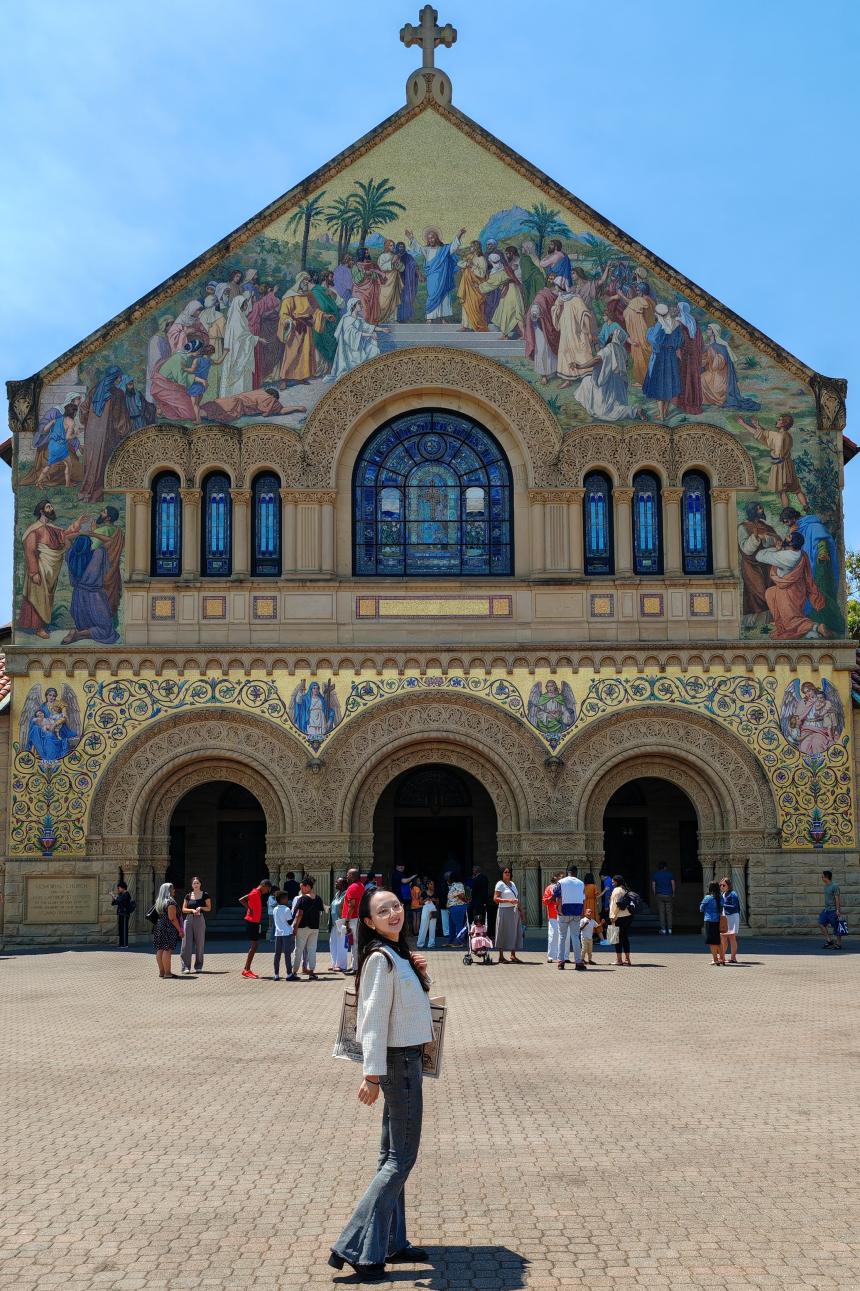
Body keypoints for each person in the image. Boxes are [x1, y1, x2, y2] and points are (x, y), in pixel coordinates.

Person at [329, 888, 432, 1279]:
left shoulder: (398, 954)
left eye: (396, 905)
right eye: (382, 910)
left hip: (406, 1062)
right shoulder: (380, 960)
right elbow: (371, 1022)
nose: (393, 912)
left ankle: (390, 1242)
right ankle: (354, 1245)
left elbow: (412, 1004)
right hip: (397, 1063)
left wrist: (421, 973)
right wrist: (370, 1077)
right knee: (399, 1160)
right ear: (368, 922)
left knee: (391, 1156)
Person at [737, 413, 808, 510]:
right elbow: (764, 433)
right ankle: (806, 506)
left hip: (780, 466)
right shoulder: (788, 436)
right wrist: (757, 425)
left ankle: (786, 511)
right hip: (788, 464)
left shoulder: (778, 436)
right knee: (797, 489)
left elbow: (761, 435)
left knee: (782, 491)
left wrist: (743, 424)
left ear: (783, 423)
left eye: (779, 420)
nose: (777, 421)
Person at [574, 322, 639, 420]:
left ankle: (633, 411)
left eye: (611, 335)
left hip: (607, 386)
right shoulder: (622, 350)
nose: (609, 336)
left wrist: (580, 366)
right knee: (588, 381)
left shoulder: (609, 349)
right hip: (619, 387)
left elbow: (597, 360)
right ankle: (632, 411)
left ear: (614, 337)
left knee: (587, 382)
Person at [405, 226, 467, 321]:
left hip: (443, 277)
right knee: (432, 295)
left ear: (437, 238)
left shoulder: (444, 249)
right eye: (429, 238)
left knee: (443, 295)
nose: (431, 240)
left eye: (432, 237)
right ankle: (430, 317)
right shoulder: (427, 249)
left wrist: (459, 234)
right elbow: (418, 248)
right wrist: (411, 238)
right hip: (432, 277)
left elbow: (453, 247)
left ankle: (442, 317)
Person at [326, 298, 388, 382]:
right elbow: (352, 334)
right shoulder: (347, 319)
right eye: (359, 304)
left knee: (374, 349)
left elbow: (368, 327)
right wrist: (369, 335)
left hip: (358, 344)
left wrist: (382, 329)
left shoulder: (359, 319)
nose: (361, 306)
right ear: (353, 306)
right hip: (350, 349)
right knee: (358, 362)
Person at [642, 303, 683, 421]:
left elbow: (654, 340)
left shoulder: (659, 325)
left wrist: (649, 331)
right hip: (670, 358)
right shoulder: (676, 325)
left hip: (660, 358)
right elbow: (679, 342)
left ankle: (661, 414)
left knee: (659, 385)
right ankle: (665, 412)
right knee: (668, 385)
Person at [552, 282, 597, 386]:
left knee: (580, 352)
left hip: (575, 333)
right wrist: (557, 307)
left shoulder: (576, 299)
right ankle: (568, 379)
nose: (555, 288)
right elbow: (555, 312)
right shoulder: (560, 300)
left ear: (562, 287)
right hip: (565, 334)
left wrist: (589, 332)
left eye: (557, 286)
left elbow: (584, 314)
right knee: (564, 352)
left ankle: (587, 377)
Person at [553, 866, 587, 971]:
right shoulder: (581, 883)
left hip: (563, 912)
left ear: (568, 872)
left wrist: (559, 907)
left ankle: (560, 962)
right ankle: (578, 962)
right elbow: (583, 899)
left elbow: (556, 894)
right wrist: (582, 912)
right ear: (576, 872)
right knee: (575, 937)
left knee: (562, 937)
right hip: (576, 913)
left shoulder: (561, 882)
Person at [291, 876, 325, 979]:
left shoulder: (302, 899)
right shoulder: (318, 898)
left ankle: (294, 971)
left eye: (302, 887)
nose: (301, 890)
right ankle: (311, 971)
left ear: (307, 887)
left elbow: (298, 914)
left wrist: (295, 927)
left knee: (298, 950)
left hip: (302, 927)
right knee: (312, 949)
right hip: (314, 928)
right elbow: (319, 912)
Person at [238, 878, 272, 979]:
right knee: (254, 945)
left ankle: (247, 969)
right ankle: (246, 970)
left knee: (255, 945)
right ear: (264, 885)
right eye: (267, 889)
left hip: (255, 922)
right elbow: (241, 900)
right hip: (251, 922)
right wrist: (249, 909)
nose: (267, 892)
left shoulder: (257, 893)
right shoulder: (254, 893)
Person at [180, 876, 211, 973]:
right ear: (192, 885)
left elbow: (209, 908)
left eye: (197, 883)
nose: (196, 885)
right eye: (194, 883)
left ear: (200, 884)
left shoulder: (205, 895)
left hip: (200, 919)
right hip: (189, 919)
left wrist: (201, 908)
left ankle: (198, 966)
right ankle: (186, 967)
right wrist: (192, 910)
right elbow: (183, 909)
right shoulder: (188, 896)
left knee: (200, 943)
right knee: (186, 944)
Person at [456, 240, 489, 331]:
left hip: (475, 286)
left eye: (471, 247)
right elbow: (459, 263)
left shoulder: (481, 259)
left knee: (475, 306)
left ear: (476, 248)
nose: (470, 248)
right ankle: (465, 326)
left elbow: (482, 274)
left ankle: (477, 326)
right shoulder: (470, 257)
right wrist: (467, 263)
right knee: (466, 305)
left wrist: (472, 266)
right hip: (467, 286)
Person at [493, 866, 523, 964]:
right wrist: (508, 900)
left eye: (509, 872)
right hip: (504, 910)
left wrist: (520, 910)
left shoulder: (512, 883)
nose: (507, 873)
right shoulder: (500, 884)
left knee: (514, 932)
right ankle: (501, 956)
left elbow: (516, 897)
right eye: (505, 872)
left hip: (514, 911)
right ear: (502, 873)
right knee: (502, 931)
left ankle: (513, 955)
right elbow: (495, 899)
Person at [153, 881, 182, 979]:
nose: (174, 890)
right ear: (168, 891)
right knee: (167, 949)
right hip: (168, 928)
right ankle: (168, 973)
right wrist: (180, 930)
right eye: (172, 888)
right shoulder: (170, 902)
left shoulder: (159, 902)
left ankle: (162, 972)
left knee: (160, 949)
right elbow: (172, 919)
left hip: (159, 926)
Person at [342, 868, 366, 973]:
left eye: (348, 874)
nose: (346, 876)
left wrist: (347, 920)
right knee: (355, 943)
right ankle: (354, 965)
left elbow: (351, 905)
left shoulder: (352, 887)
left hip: (353, 919)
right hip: (359, 918)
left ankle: (355, 968)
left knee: (354, 943)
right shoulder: (361, 886)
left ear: (352, 876)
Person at [609, 874, 634, 967]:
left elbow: (617, 904)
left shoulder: (617, 890)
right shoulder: (625, 889)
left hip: (619, 917)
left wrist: (613, 916)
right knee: (625, 937)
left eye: (613, 881)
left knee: (617, 939)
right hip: (628, 916)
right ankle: (627, 959)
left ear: (616, 882)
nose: (612, 883)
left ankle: (619, 960)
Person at [272, 889, 297, 980]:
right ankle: (289, 974)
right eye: (286, 898)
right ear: (282, 899)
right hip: (286, 934)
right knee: (287, 954)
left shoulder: (275, 909)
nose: (287, 900)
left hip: (278, 934)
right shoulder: (286, 909)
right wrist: (294, 914)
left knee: (277, 954)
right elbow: (290, 922)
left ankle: (276, 975)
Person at [700, 882, 725, 965]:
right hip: (717, 920)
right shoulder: (720, 897)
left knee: (712, 942)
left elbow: (701, 909)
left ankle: (715, 959)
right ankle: (722, 958)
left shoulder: (707, 897)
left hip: (709, 920)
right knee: (718, 941)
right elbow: (721, 908)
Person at [819, 869, 844, 949]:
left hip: (833, 910)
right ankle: (829, 941)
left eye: (822, 876)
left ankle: (839, 944)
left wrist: (838, 910)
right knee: (821, 923)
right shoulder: (825, 886)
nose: (821, 878)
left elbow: (837, 899)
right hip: (826, 910)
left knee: (836, 927)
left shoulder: (835, 886)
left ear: (826, 877)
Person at [329, 876, 348, 972]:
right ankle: (334, 963)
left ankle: (342, 965)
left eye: (338, 882)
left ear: (343, 884)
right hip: (333, 922)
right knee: (333, 943)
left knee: (341, 944)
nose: (336, 883)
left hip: (341, 922)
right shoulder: (337, 894)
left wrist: (346, 922)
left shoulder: (346, 894)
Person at [719, 877, 741, 964]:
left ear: (728, 885)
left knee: (732, 937)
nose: (722, 886)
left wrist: (723, 905)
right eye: (720, 885)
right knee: (723, 937)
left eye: (723, 885)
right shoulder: (723, 894)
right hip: (725, 918)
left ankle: (733, 957)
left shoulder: (733, 894)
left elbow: (735, 907)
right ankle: (722, 957)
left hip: (732, 917)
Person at [651, 861, 676, 935]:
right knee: (669, 912)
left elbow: (653, 885)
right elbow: (673, 884)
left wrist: (655, 893)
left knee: (661, 912)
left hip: (659, 894)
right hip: (668, 894)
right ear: (665, 867)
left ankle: (663, 929)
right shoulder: (670, 874)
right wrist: (673, 893)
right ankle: (670, 929)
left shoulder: (656, 874)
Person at [543, 870, 562, 964]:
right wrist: (552, 897)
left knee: (564, 937)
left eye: (562, 877)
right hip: (553, 915)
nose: (561, 878)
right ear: (554, 878)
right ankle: (551, 956)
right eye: (559, 876)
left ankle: (563, 956)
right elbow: (545, 901)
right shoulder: (549, 888)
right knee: (553, 935)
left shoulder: (564, 887)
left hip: (563, 915)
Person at [446, 873, 469, 947]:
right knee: (452, 925)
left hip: (457, 907)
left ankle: (460, 942)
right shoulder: (454, 885)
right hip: (453, 908)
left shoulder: (459, 884)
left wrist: (466, 901)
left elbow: (461, 895)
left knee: (458, 925)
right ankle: (450, 942)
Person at [416, 880, 439, 949]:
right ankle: (420, 943)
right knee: (423, 926)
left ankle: (431, 944)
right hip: (426, 908)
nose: (433, 885)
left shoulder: (435, 893)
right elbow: (420, 902)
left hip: (433, 909)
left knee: (432, 927)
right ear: (427, 885)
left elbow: (438, 902)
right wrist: (425, 900)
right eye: (431, 884)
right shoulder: (423, 892)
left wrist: (435, 900)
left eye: (433, 884)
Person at [111, 880, 134, 948]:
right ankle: (121, 944)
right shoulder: (121, 895)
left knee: (124, 929)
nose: (118, 889)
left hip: (124, 914)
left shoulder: (126, 894)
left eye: (119, 888)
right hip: (121, 913)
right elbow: (114, 903)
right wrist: (113, 898)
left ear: (123, 888)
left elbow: (120, 901)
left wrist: (114, 896)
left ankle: (125, 944)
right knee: (121, 929)